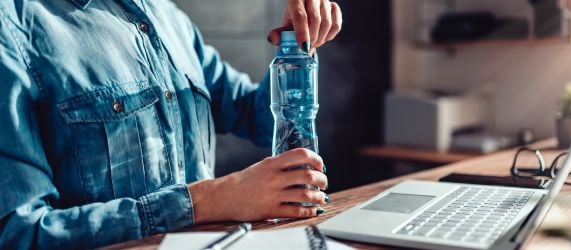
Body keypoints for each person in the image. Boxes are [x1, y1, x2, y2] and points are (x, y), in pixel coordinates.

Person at [0, 0, 342, 248]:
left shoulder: (166, 16)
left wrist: (295, 49)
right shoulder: (12, 27)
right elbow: (20, 234)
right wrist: (208, 200)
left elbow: (258, 120)